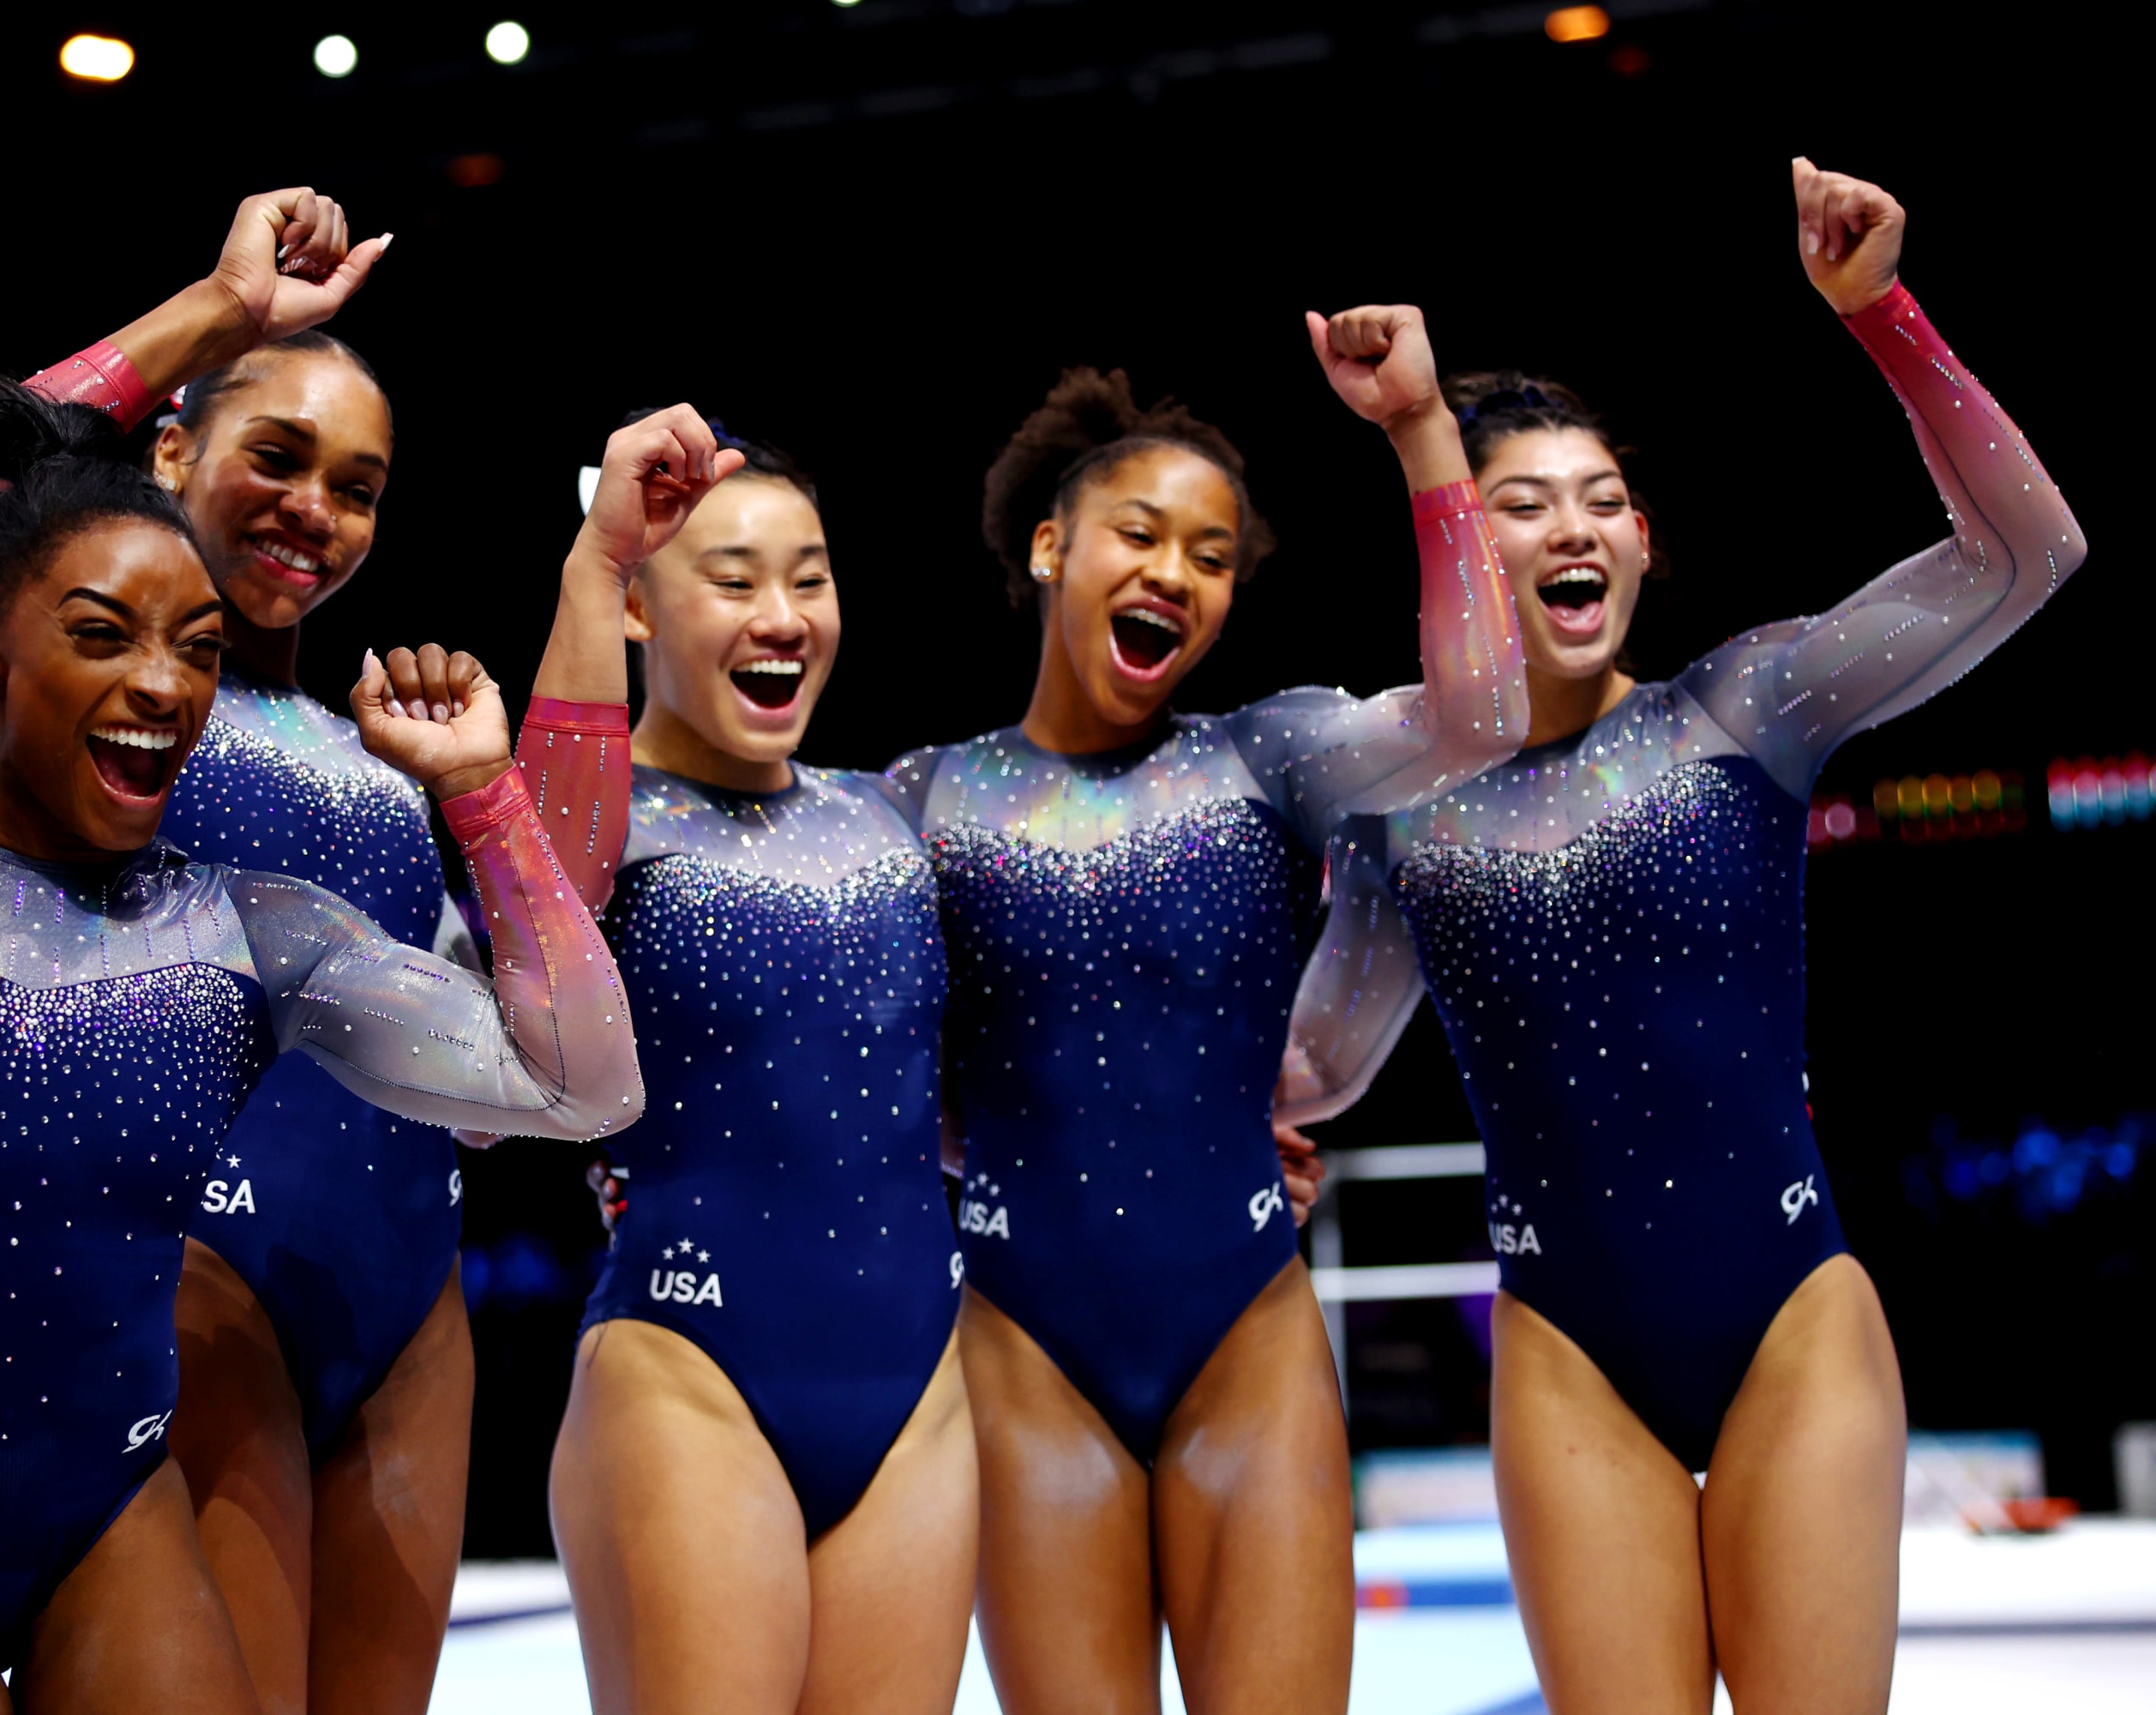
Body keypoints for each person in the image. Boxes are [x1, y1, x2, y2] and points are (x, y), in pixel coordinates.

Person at [1280, 160, 2084, 1714]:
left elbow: (2022, 557)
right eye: (1521, 506)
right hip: (1568, 1348)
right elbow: (1318, 1058)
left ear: (1642, 543)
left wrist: (1881, 315)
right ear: (1460, 552)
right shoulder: (1402, 818)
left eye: (1602, 502)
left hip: (1791, 1311)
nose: (1572, 529)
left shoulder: (1748, 709)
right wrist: (1211, 1112)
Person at [883, 307, 1525, 1712]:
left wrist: (1422, 433)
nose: (1174, 571)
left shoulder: (1270, 754)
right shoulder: (917, 804)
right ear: (1052, 546)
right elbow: (825, 1044)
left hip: (1247, 1339)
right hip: (1022, 1349)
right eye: (1140, 534)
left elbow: (1482, 717)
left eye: (1213, 556)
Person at [0, 286, 475, 1715]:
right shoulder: (98, 704)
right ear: (167, 450)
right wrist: (218, 313)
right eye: (274, 454)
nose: (312, 509)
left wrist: (502, 754)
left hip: (411, 1312)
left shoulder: (390, 748)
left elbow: (537, 1037)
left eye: (357, 488)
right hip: (205, 1300)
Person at [522, 413, 978, 1715]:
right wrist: (592, 554)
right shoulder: (600, 832)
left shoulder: (884, 816)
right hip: (688, 1375)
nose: (782, 615)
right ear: (636, 610)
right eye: (732, 581)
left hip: (918, 1387)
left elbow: (931, 1091)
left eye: (811, 576)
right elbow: (540, 900)